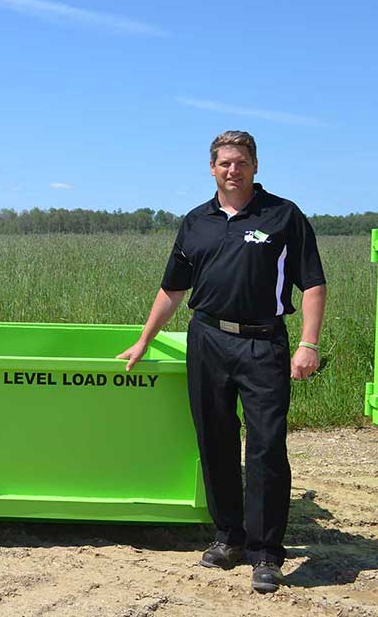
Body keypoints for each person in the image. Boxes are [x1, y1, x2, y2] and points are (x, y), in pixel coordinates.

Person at [117, 130, 326, 594]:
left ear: (255, 166)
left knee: (267, 446)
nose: (233, 170)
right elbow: (173, 289)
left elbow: (311, 282)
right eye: (225, 163)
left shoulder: (283, 216)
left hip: (264, 342)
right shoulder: (196, 222)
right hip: (208, 338)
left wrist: (307, 344)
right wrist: (143, 340)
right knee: (215, 439)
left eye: (241, 162)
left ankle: (266, 553)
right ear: (212, 168)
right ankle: (229, 537)